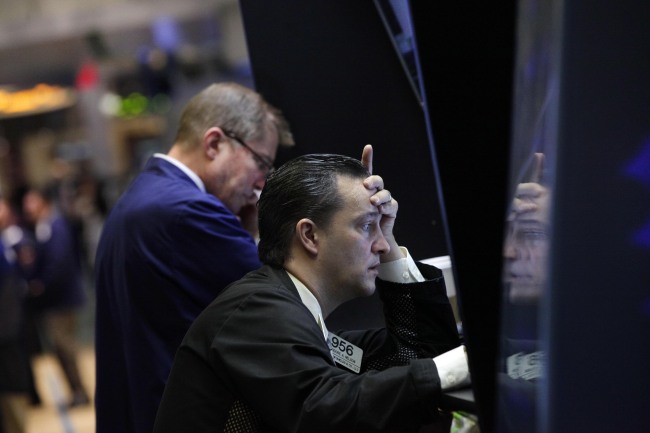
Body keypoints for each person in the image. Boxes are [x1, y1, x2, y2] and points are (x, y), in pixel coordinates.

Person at [154, 146, 470, 433]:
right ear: (309, 235)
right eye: (364, 226)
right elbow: (325, 412)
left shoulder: (295, 315)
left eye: (381, 227)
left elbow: (414, 356)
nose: (382, 244)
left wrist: (386, 236)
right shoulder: (256, 310)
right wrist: (461, 365)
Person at [94, 82, 294, 433]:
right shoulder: (188, 212)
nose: (262, 183)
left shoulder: (142, 197)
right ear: (215, 143)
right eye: (261, 162)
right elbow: (286, 302)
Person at [21, 187, 90, 408]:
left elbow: (59, 263)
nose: (27, 207)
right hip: (54, 301)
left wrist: (40, 284)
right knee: (60, 348)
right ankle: (76, 391)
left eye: (32, 202)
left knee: (66, 347)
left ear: (43, 202)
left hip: (62, 300)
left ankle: (80, 391)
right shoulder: (42, 228)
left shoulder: (56, 226)